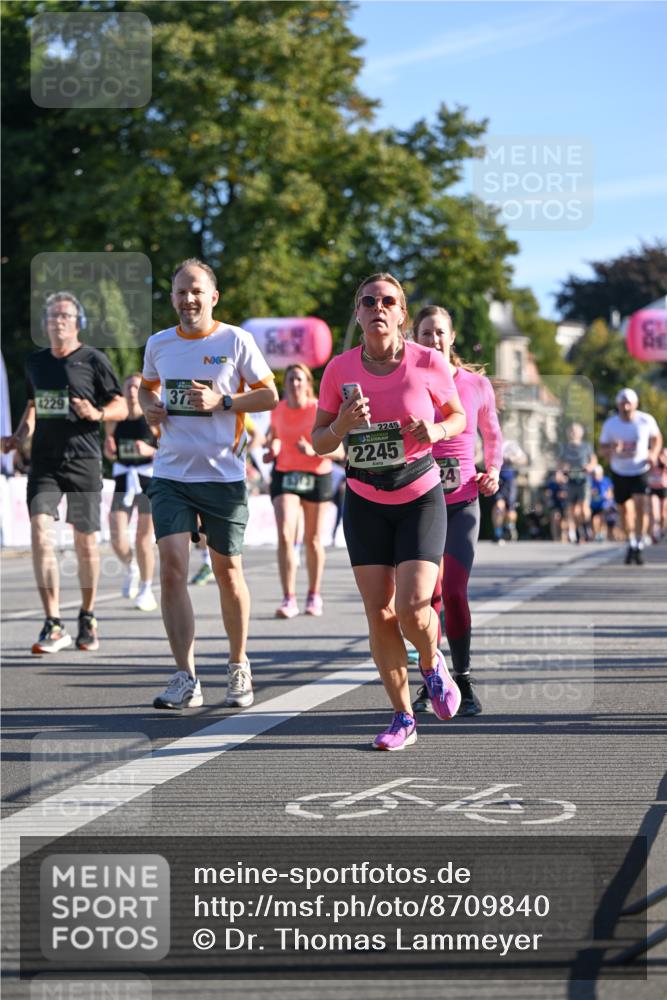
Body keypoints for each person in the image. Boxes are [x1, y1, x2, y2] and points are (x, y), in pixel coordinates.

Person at [312, 273, 466, 751]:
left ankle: (431, 660)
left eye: (388, 301)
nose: (378, 307)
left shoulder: (428, 362)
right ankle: (402, 716)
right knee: (379, 613)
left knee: (412, 607)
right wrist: (341, 423)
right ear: (357, 313)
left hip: (419, 494)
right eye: (368, 301)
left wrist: (436, 433)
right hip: (365, 500)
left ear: (402, 313)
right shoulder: (338, 370)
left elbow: (458, 415)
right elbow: (319, 442)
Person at [138, 258, 278, 710]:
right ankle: (185, 676)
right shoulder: (159, 343)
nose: (188, 299)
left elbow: (269, 394)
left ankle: (239, 665)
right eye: (180, 292)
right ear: (173, 298)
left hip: (223, 475)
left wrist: (225, 400)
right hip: (172, 473)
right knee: (173, 567)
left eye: (196, 291)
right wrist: (150, 406)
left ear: (212, 296)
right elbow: (146, 387)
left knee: (227, 572)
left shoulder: (236, 339)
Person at [1, 291, 127, 653]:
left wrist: (98, 414)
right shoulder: (35, 362)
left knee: (85, 542)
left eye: (64, 316)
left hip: (84, 460)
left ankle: (87, 614)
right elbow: (33, 405)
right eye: (51, 317)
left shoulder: (94, 360)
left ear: (77, 323)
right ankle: (53, 622)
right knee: (41, 532)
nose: (56, 322)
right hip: (44, 462)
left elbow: (119, 403)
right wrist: (19, 437)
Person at [410, 305, 503, 718]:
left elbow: (492, 435)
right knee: (425, 597)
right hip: (419, 498)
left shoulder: (476, 385)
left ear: (452, 337)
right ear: (415, 338)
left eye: (440, 332)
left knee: (454, 591)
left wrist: (493, 472)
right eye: (426, 333)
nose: (434, 340)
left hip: (463, 498)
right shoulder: (409, 381)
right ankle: (432, 675)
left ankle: (462, 677)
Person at [263, 363, 344, 618]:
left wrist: (314, 450)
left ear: (308, 384)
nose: (294, 384)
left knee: (313, 539)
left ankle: (314, 594)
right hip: (286, 474)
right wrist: (272, 448)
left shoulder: (318, 409)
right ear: (284, 385)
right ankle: (288, 598)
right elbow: (274, 436)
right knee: (286, 534)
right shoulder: (277, 411)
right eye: (290, 380)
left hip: (316, 475)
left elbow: (340, 452)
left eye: (299, 379)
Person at [103, 373, 158, 612]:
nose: (132, 392)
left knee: (143, 539)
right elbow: (110, 451)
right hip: (124, 477)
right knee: (116, 533)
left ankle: (146, 589)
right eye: (128, 388)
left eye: (136, 387)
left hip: (148, 479)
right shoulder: (114, 418)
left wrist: (150, 449)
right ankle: (131, 567)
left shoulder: (153, 417)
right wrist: (109, 449)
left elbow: (170, 448)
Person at [189, 415, 265, 584]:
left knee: (218, 524)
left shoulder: (237, 410)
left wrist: (244, 452)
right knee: (195, 521)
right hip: (199, 470)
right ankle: (207, 561)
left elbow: (259, 436)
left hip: (230, 474)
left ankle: (218, 561)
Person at [599, 388, 662, 565]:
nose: (626, 408)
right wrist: (612, 449)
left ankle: (640, 542)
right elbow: (602, 448)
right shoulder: (611, 424)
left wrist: (653, 453)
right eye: (622, 404)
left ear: (635, 404)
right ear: (618, 405)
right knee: (624, 510)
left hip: (640, 469)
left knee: (641, 504)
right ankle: (631, 542)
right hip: (620, 470)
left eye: (629, 404)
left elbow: (657, 438)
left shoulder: (645, 420)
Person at [557, 421, 596, 543]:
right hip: (570, 480)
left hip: (583, 480)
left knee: (583, 508)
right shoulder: (564, 447)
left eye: (575, 431)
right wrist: (561, 470)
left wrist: (590, 467)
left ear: (581, 433)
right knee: (572, 509)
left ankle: (585, 525)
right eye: (571, 431)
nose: (573, 433)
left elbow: (593, 460)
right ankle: (576, 531)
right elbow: (559, 463)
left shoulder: (586, 446)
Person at [491, 439, 527, 543]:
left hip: (510, 481)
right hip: (497, 479)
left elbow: (524, 459)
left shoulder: (510, 445)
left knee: (510, 510)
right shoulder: (491, 443)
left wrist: (513, 459)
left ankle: (510, 527)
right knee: (498, 506)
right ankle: (498, 533)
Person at [647, 446, 667, 544]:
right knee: (654, 512)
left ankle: (663, 529)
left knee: (663, 513)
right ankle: (654, 533)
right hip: (653, 488)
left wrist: (663, 461)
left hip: (663, 487)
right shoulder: (651, 455)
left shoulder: (665, 454)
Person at [589, 464, 614, 541]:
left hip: (604, 504)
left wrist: (608, 496)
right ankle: (596, 534)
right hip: (594, 504)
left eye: (596, 473)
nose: (595, 475)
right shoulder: (591, 481)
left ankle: (602, 533)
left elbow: (610, 492)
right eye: (594, 473)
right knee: (595, 519)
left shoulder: (606, 480)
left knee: (602, 518)